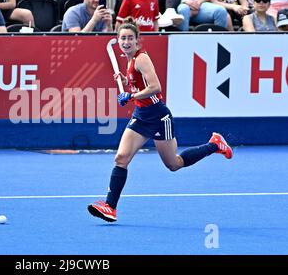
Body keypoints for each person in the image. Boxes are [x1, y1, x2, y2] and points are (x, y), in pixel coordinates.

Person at [87, 18, 233, 223]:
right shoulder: (130, 61)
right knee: (121, 158)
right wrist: (129, 83)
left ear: (138, 41)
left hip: (158, 116)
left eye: (130, 38)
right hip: (140, 116)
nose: (126, 42)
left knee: (174, 164)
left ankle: (214, 144)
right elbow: (141, 85)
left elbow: (156, 88)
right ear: (118, 41)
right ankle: (110, 207)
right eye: (123, 38)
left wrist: (130, 96)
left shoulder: (140, 59)